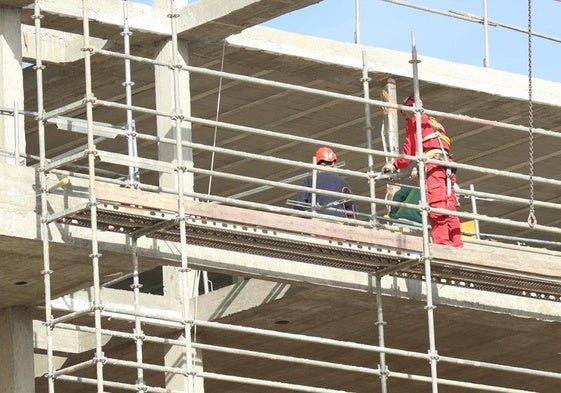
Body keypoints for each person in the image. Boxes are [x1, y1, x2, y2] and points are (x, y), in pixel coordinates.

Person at [382, 96, 463, 247]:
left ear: (409, 108)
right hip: (447, 166)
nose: (404, 117)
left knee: (437, 205)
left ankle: (442, 245)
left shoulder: (415, 121)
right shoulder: (435, 123)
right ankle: (456, 244)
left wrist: (394, 164)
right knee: (449, 205)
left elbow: (409, 151)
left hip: (435, 167)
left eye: (403, 112)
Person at [294, 147, 357, 218]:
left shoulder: (310, 179)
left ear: (316, 163)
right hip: (338, 221)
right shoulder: (343, 182)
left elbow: (299, 204)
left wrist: (308, 217)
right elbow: (352, 208)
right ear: (333, 162)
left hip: (317, 219)